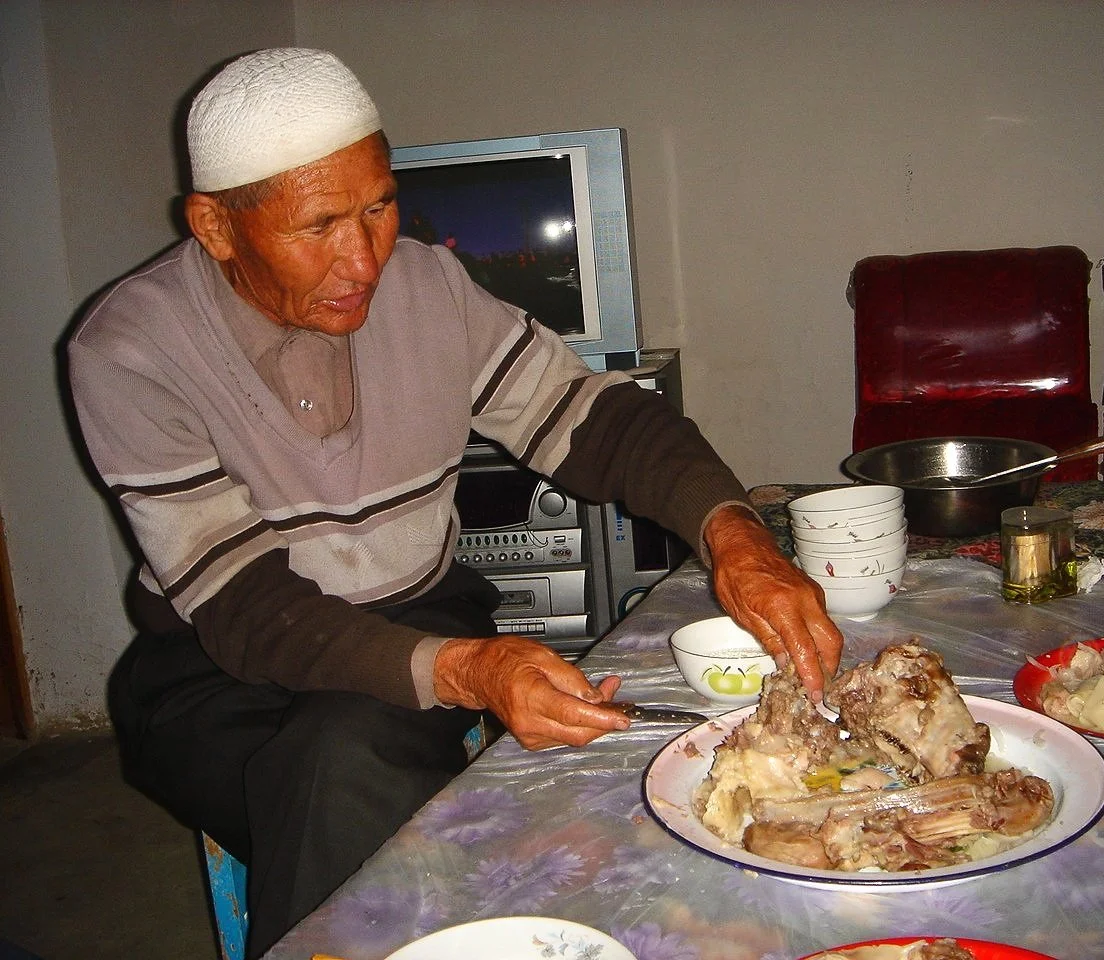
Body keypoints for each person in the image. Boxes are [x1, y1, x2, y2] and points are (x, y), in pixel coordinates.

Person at [67, 48, 842, 957]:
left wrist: (734, 534)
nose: (364, 260)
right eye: (319, 226)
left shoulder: (427, 288)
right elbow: (246, 608)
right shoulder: (131, 350)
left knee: (369, 777)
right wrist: (473, 672)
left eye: (378, 207)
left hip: (416, 613)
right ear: (216, 226)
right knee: (343, 776)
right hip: (216, 667)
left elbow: (595, 421)